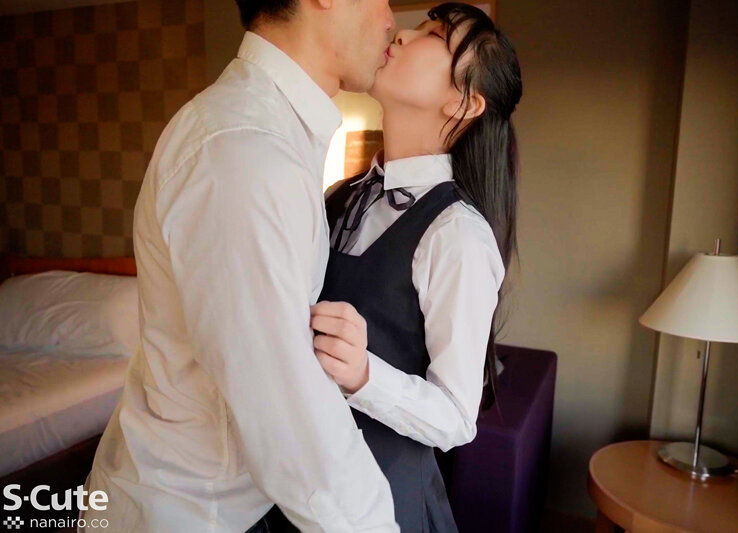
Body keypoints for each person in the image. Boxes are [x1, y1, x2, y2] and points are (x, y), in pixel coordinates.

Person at [80, 1, 401, 531]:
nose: (391, 18)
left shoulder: (268, 135)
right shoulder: (243, 152)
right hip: (188, 513)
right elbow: (290, 419)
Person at [267, 3, 523, 531]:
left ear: (464, 102)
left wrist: (364, 374)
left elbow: (457, 419)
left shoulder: (456, 235)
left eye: (435, 35)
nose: (403, 34)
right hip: (297, 491)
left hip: (383, 505)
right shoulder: (338, 198)